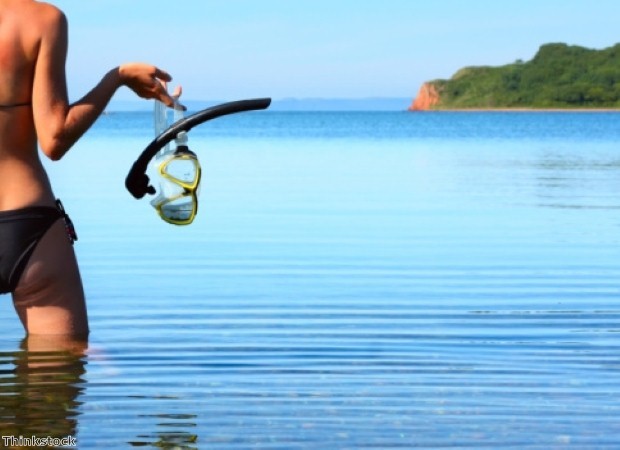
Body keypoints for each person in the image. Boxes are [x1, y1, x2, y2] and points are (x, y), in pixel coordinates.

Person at [0, 0, 181, 337]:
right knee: (58, 379)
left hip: (30, 226)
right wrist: (117, 78)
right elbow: (54, 140)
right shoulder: (42, 20)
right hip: (28, 224)